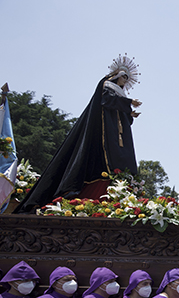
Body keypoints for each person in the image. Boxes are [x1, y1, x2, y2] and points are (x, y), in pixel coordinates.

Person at [16, 55, 142, 213]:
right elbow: (106, 100)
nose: (125, 80)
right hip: (104, 134)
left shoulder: (120, 95)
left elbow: (118, 113)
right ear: (116, 75)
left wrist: (129, 114)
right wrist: (128, 103)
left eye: (127, 78)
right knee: (108, 159)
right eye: (124, 77)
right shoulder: (106, 86)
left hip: (119, 136)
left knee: (123, 158)